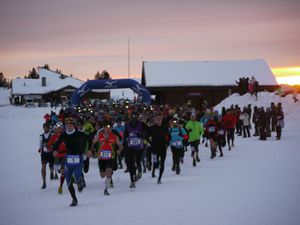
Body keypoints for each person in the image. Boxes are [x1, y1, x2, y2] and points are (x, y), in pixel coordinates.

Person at [53, 117, 88, 207]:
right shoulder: (63, 135)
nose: (69, 126)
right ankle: (74, 199)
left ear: (73, 126)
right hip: (68, 159)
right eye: (67, 125)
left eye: (71, 124)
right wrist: (55, 150)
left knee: (76, 175)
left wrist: (88, 150)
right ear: (65, 126)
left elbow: (89, 140)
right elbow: (56, 144)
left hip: (78, 158)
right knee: (68, 181)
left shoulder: (79, 134)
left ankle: (80, 181)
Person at [92, 121, 123, 195]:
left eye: (109, 128)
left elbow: (120, 145)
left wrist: (119, 150)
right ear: (104, 128)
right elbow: (92, 142)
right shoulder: (99, 135)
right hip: (101, 158)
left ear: (111, 128)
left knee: (109, 171)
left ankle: (106, 189)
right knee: (102, 176)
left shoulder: (115, 137)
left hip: (111, 157)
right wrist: (92, 151)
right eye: (106, 128)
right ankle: (107, 176)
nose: (108, 130)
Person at [124, 114, 147, 188]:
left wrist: (142, 135)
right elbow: (125, 135)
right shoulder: (127, 125)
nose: (134, 120)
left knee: (137, 161)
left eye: (135, 118)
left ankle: (139, 171)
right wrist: (126, 139)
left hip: (139, 147)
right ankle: (132, 180)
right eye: (132, 118)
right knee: (131, 163)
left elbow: (148, 131)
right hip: (130, 147)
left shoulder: (142, 124)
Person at [148, 113, 170, 184]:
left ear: (161, 120)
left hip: (163, 148)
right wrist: (150, 143)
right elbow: (146, 136)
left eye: (159, 119)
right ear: (154, 120)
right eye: (157, 119)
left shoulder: (164, 127)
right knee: (155, 162)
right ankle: (153, 170)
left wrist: (167, 143)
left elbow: (169, 137)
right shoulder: (151, 128)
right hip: (154, 148)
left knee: (162, 163)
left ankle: (159, 178)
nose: (158, 121)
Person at [47, 122, 66, 194]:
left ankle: (61, 186)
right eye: (58, 128)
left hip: (65, 155)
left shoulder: (65, 135)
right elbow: (48, 145)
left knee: (63, 171)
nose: (59, 129)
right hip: (57, 156)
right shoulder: (53, 136)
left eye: (60, 128)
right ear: (55, 129)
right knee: (59, 170)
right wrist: (53, 150)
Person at [38, 123, 55, 189]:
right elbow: (40, 143)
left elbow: (55, 143)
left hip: (51, 154)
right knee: (43, 167)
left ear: (49, 128)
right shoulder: (41, 136)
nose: (45, 129)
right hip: (44, 154)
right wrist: (39, 149)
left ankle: (51, 172)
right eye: (44, 127)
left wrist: (52, 147)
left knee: (51, 166)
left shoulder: (52, 135)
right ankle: (44, 182)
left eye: (46, 127)